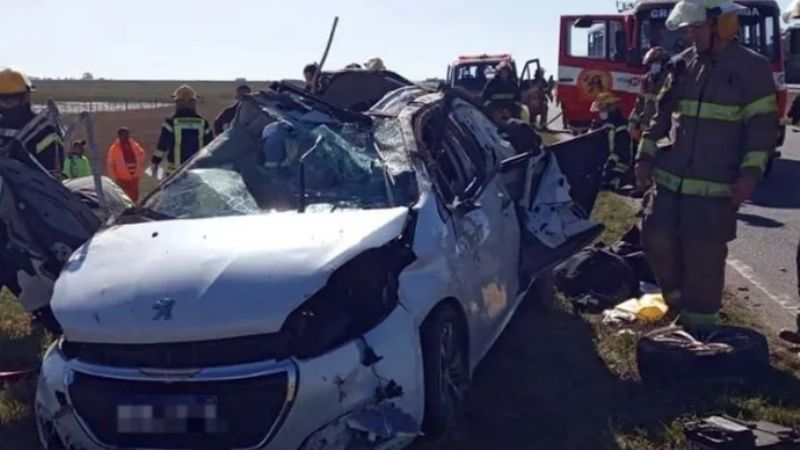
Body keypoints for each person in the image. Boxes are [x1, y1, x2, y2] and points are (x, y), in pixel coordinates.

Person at [635, 0, 779, 326]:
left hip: (715, 186)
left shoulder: (752, 68)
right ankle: (677, 303)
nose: (690, 34)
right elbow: (660, 117)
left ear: (721, 25)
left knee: (704, 256)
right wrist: (644, 156)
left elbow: (762, 128)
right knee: (655, 237)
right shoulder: (682, 65)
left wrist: (750, 174)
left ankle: (701, 329)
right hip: (669, 179)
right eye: (688, 28)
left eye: (697, 28)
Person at [0, 67, 65, 178]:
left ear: (25, 98)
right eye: (4, 100)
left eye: (12, 100)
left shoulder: (45, 130)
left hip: (29, 186)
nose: (7, 105)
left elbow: (51, 172)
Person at [150, 84, 214, 176]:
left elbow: (162, 146)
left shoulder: (171, 122)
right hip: (196, 171)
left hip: (174, 173)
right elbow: (211, 146)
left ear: (178, 102)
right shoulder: (203, 122)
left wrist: (155, 162)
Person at [591, 92, 633, 191]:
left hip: (619, 165)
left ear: (610, 107)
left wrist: (610, 163)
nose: (600, 111)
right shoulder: (604, 124)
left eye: (602, 108)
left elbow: (621, 149)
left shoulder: (621, 126)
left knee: (603, 182)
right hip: (605, 164)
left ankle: (617, 181)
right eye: (600, 108)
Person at [629, 47, 671, 146]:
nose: (653, 66)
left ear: (663, 64)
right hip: (645, 129)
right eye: (652, 63)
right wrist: (632, 122)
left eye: (657, 62)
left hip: (661, 130)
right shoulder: (646, 80)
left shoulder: (669, 81)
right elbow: (639, 104)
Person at [107, 127, 146, 202]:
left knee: (134, 196)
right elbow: (111, 164)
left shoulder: (134, 145)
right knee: (124, 198)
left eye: (127, 134)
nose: (126, 136)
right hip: (122, 178)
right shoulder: (114, 148)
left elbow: (142, 154)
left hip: (134, 176)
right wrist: (115, 178)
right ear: (119, 136)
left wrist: (139, 166)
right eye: (123, 134)